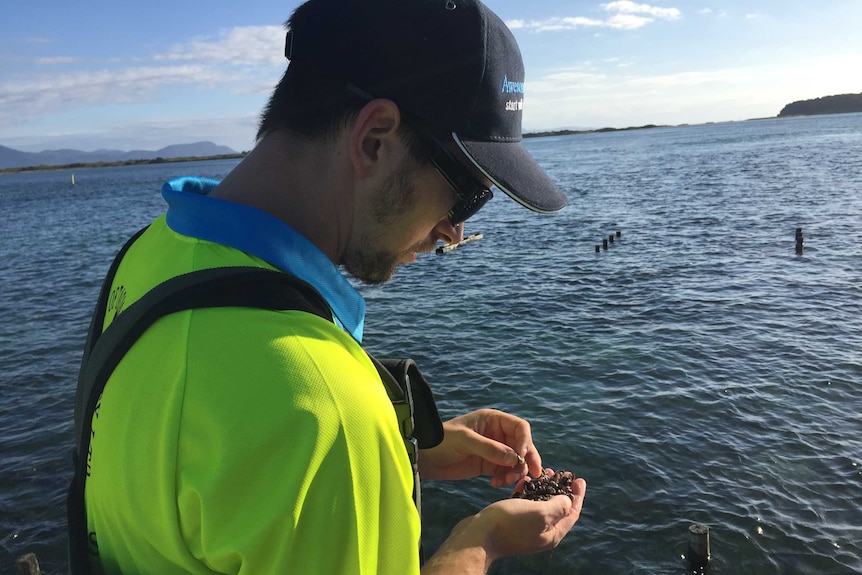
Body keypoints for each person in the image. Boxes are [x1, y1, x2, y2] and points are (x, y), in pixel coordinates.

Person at [72, 0, 586, 573]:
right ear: (373, 139)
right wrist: (480, 540)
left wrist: (398, 448)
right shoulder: (326, 415)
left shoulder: (148, 257)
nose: (454, 231)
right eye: (467, 189)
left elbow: (194, 462)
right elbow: (297, 420)